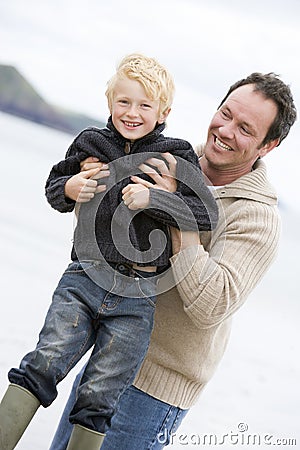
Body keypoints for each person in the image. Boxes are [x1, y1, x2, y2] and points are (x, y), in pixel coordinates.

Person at [49, 72, 297, 450]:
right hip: (106, 360)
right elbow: (103, 241)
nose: (226, 130)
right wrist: (88, 185)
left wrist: (176, 210)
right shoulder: (167, 160)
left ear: (269, 145)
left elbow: (211, 304)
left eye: (245, 128)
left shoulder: (259, 219)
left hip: (153, 392)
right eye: (226, 114)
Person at [0, 54, 218, 450]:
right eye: (123, 102)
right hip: (83, 279)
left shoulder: (177, 154)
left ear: (164, 111)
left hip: (138, 298)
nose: (132, 113)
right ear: (109, 102)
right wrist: (71, 187)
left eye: (144, 105)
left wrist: (156, 197)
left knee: (101, 396)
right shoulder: (90, 141)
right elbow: (56, 183)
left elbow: (205, 213)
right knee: (44, 361)